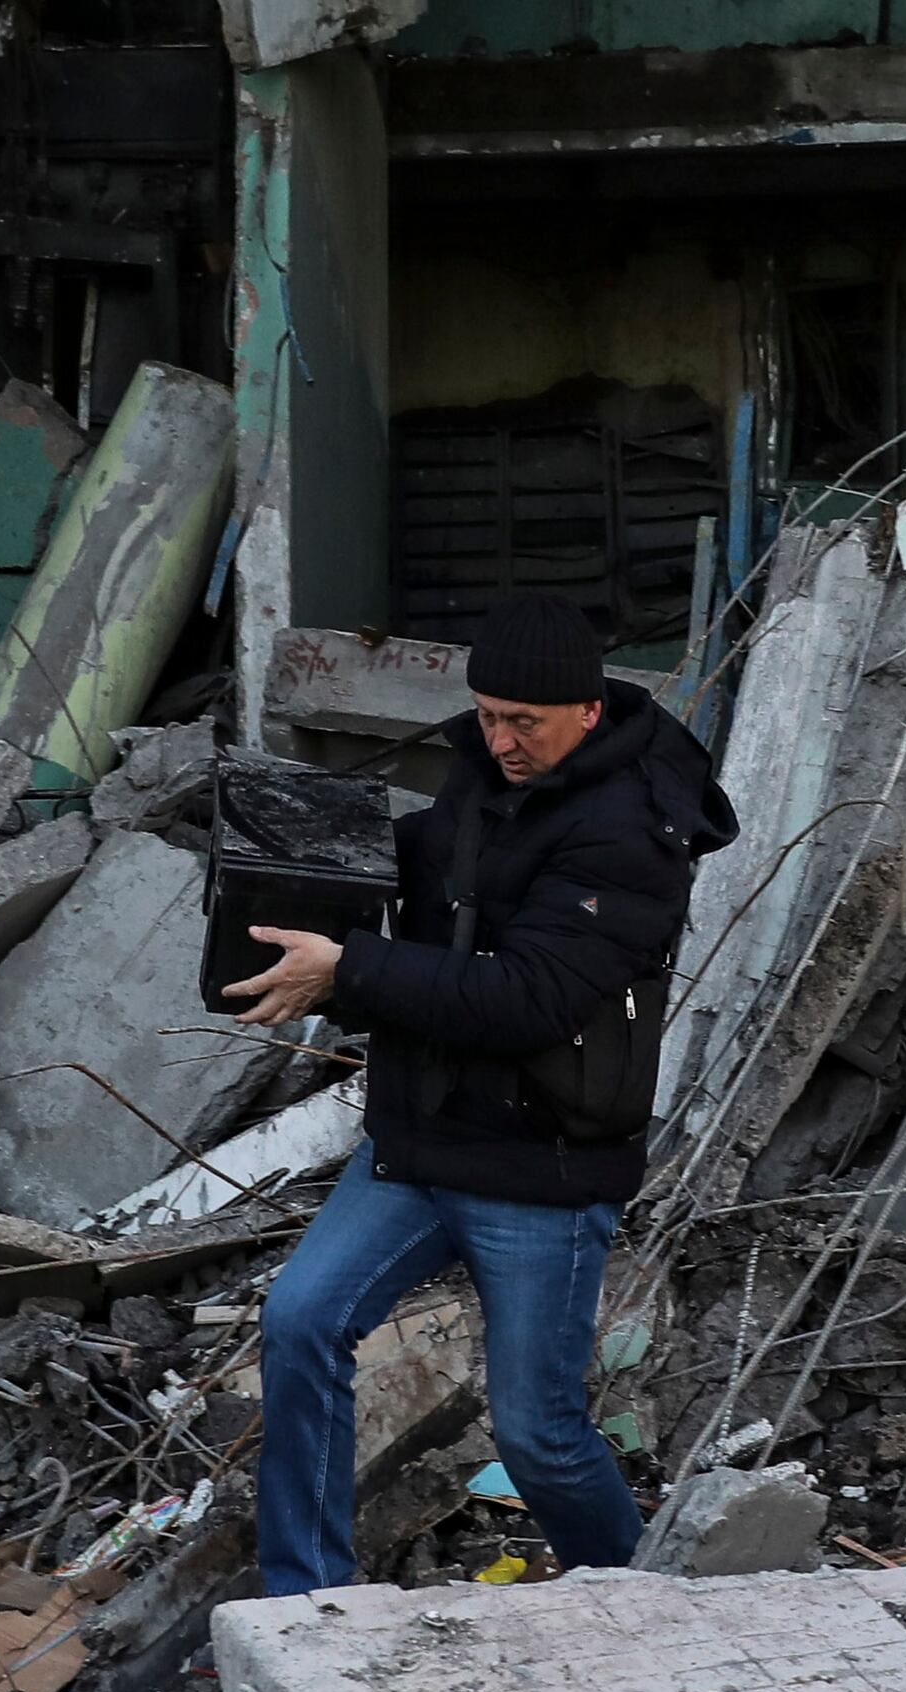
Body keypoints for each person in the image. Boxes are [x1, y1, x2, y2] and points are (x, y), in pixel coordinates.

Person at [217, 594, 735, 1597]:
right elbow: (426, 877)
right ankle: (304, 1599)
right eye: (486, 714)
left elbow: (526, 1000)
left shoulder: (632, 832)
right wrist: (287, 855)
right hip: (418, 1140)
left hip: (537, 1164)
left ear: (585, 710)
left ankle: (638, 1600)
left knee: (538, 1435)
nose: (496, 739)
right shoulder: (485, 769)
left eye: (521, 723)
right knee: (300, 1320)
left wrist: (349, 970)